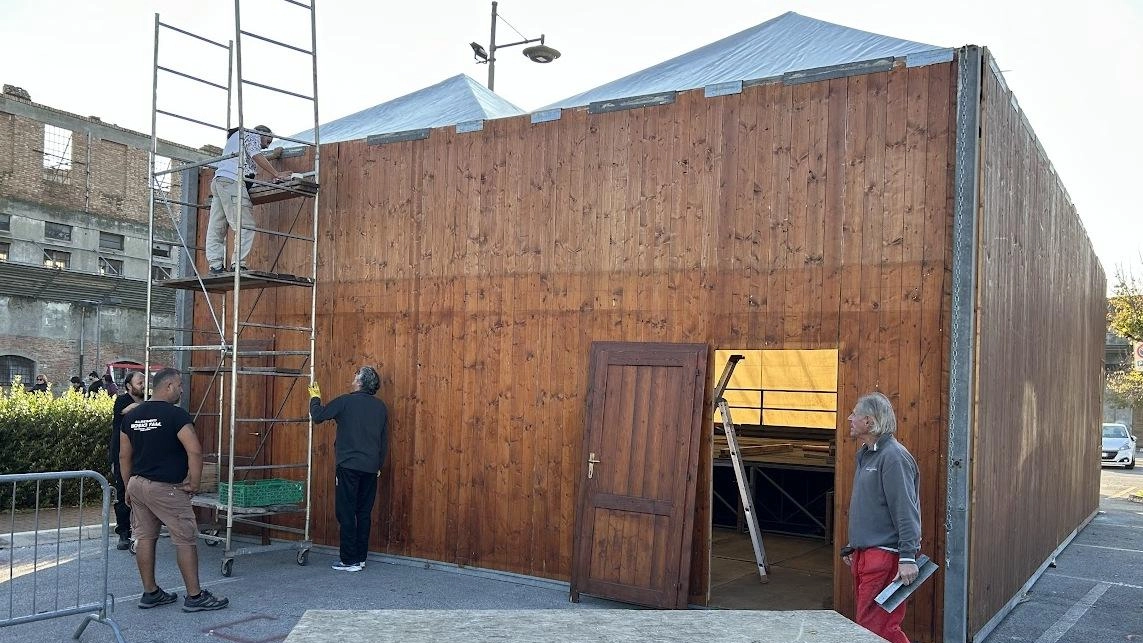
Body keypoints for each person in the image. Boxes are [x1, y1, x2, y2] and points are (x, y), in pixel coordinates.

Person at [119, 368, 229, 612]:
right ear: (167, 386)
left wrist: (128, 486)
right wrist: (195, 482)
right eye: (179, 385)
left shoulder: (132, 417)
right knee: (185, 539)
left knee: (145, 538)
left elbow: (124, 455)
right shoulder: (176, 415)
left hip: (138, 484)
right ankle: (195, 596)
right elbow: (195, 450)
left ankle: (151, 593)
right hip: (167, 488)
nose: (181, 390)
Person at [841, 392, 921, 643]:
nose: (849, 418)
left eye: (855, 414)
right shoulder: (866, 454)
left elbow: (906, 511)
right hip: (865, 555)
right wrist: (854, 546)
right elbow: (869, 507)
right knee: (874, 626)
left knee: (875, 627)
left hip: (885, 556)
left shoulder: (894, 457)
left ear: (869, 420)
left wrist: (908, 557)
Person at [309, 366, 389, 572]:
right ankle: (360, 557)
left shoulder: (345, 402)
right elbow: (384, 440)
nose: (353, 379)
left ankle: (348, 560)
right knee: (363, 512)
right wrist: (378, 465)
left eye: (355, 377)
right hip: (371, 468)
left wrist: (315, 397)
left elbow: (318, 416)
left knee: (345, 512)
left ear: (360, 382)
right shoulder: (381, 407)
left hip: (348, 466)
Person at [205, 125, 290, 275]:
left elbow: (250, 156)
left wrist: (272, 156)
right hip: (232, 181)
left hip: (220, 181)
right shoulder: (252, 134)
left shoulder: (238, 137)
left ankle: (215, 265)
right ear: (262, 133)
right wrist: (277, 173)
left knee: (217, 226)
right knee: (246, 225)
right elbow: (255, 153)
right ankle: (238, 264)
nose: (267, 145)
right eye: (268, 141)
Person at [110, 370, 145, 550]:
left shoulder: (147, 399)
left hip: (142, 454)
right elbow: (124, 412)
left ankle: (141, 530)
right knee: (124, 491)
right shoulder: (123, 400)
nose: (143, 385)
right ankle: (124, 532)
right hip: (122, 455)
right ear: (129, 386)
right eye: (140, 383)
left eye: (144, 382)